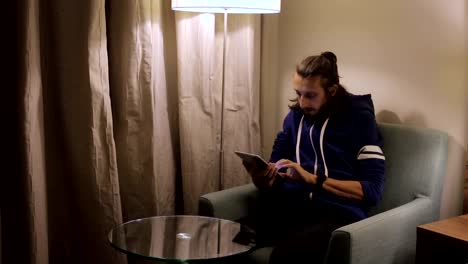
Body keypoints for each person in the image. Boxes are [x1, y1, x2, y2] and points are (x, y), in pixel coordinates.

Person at [243, 51, 385, 264]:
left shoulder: (359, 120)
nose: (301, 102)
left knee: (286, 255)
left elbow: (372, 191)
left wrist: (312, 179)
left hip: (339, 213)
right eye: (298, 93)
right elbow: (275, 171)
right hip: (295, 205)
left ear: (332, 91)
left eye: (310, 95)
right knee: (236, 239)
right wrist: (263, 178)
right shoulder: (295, 117)